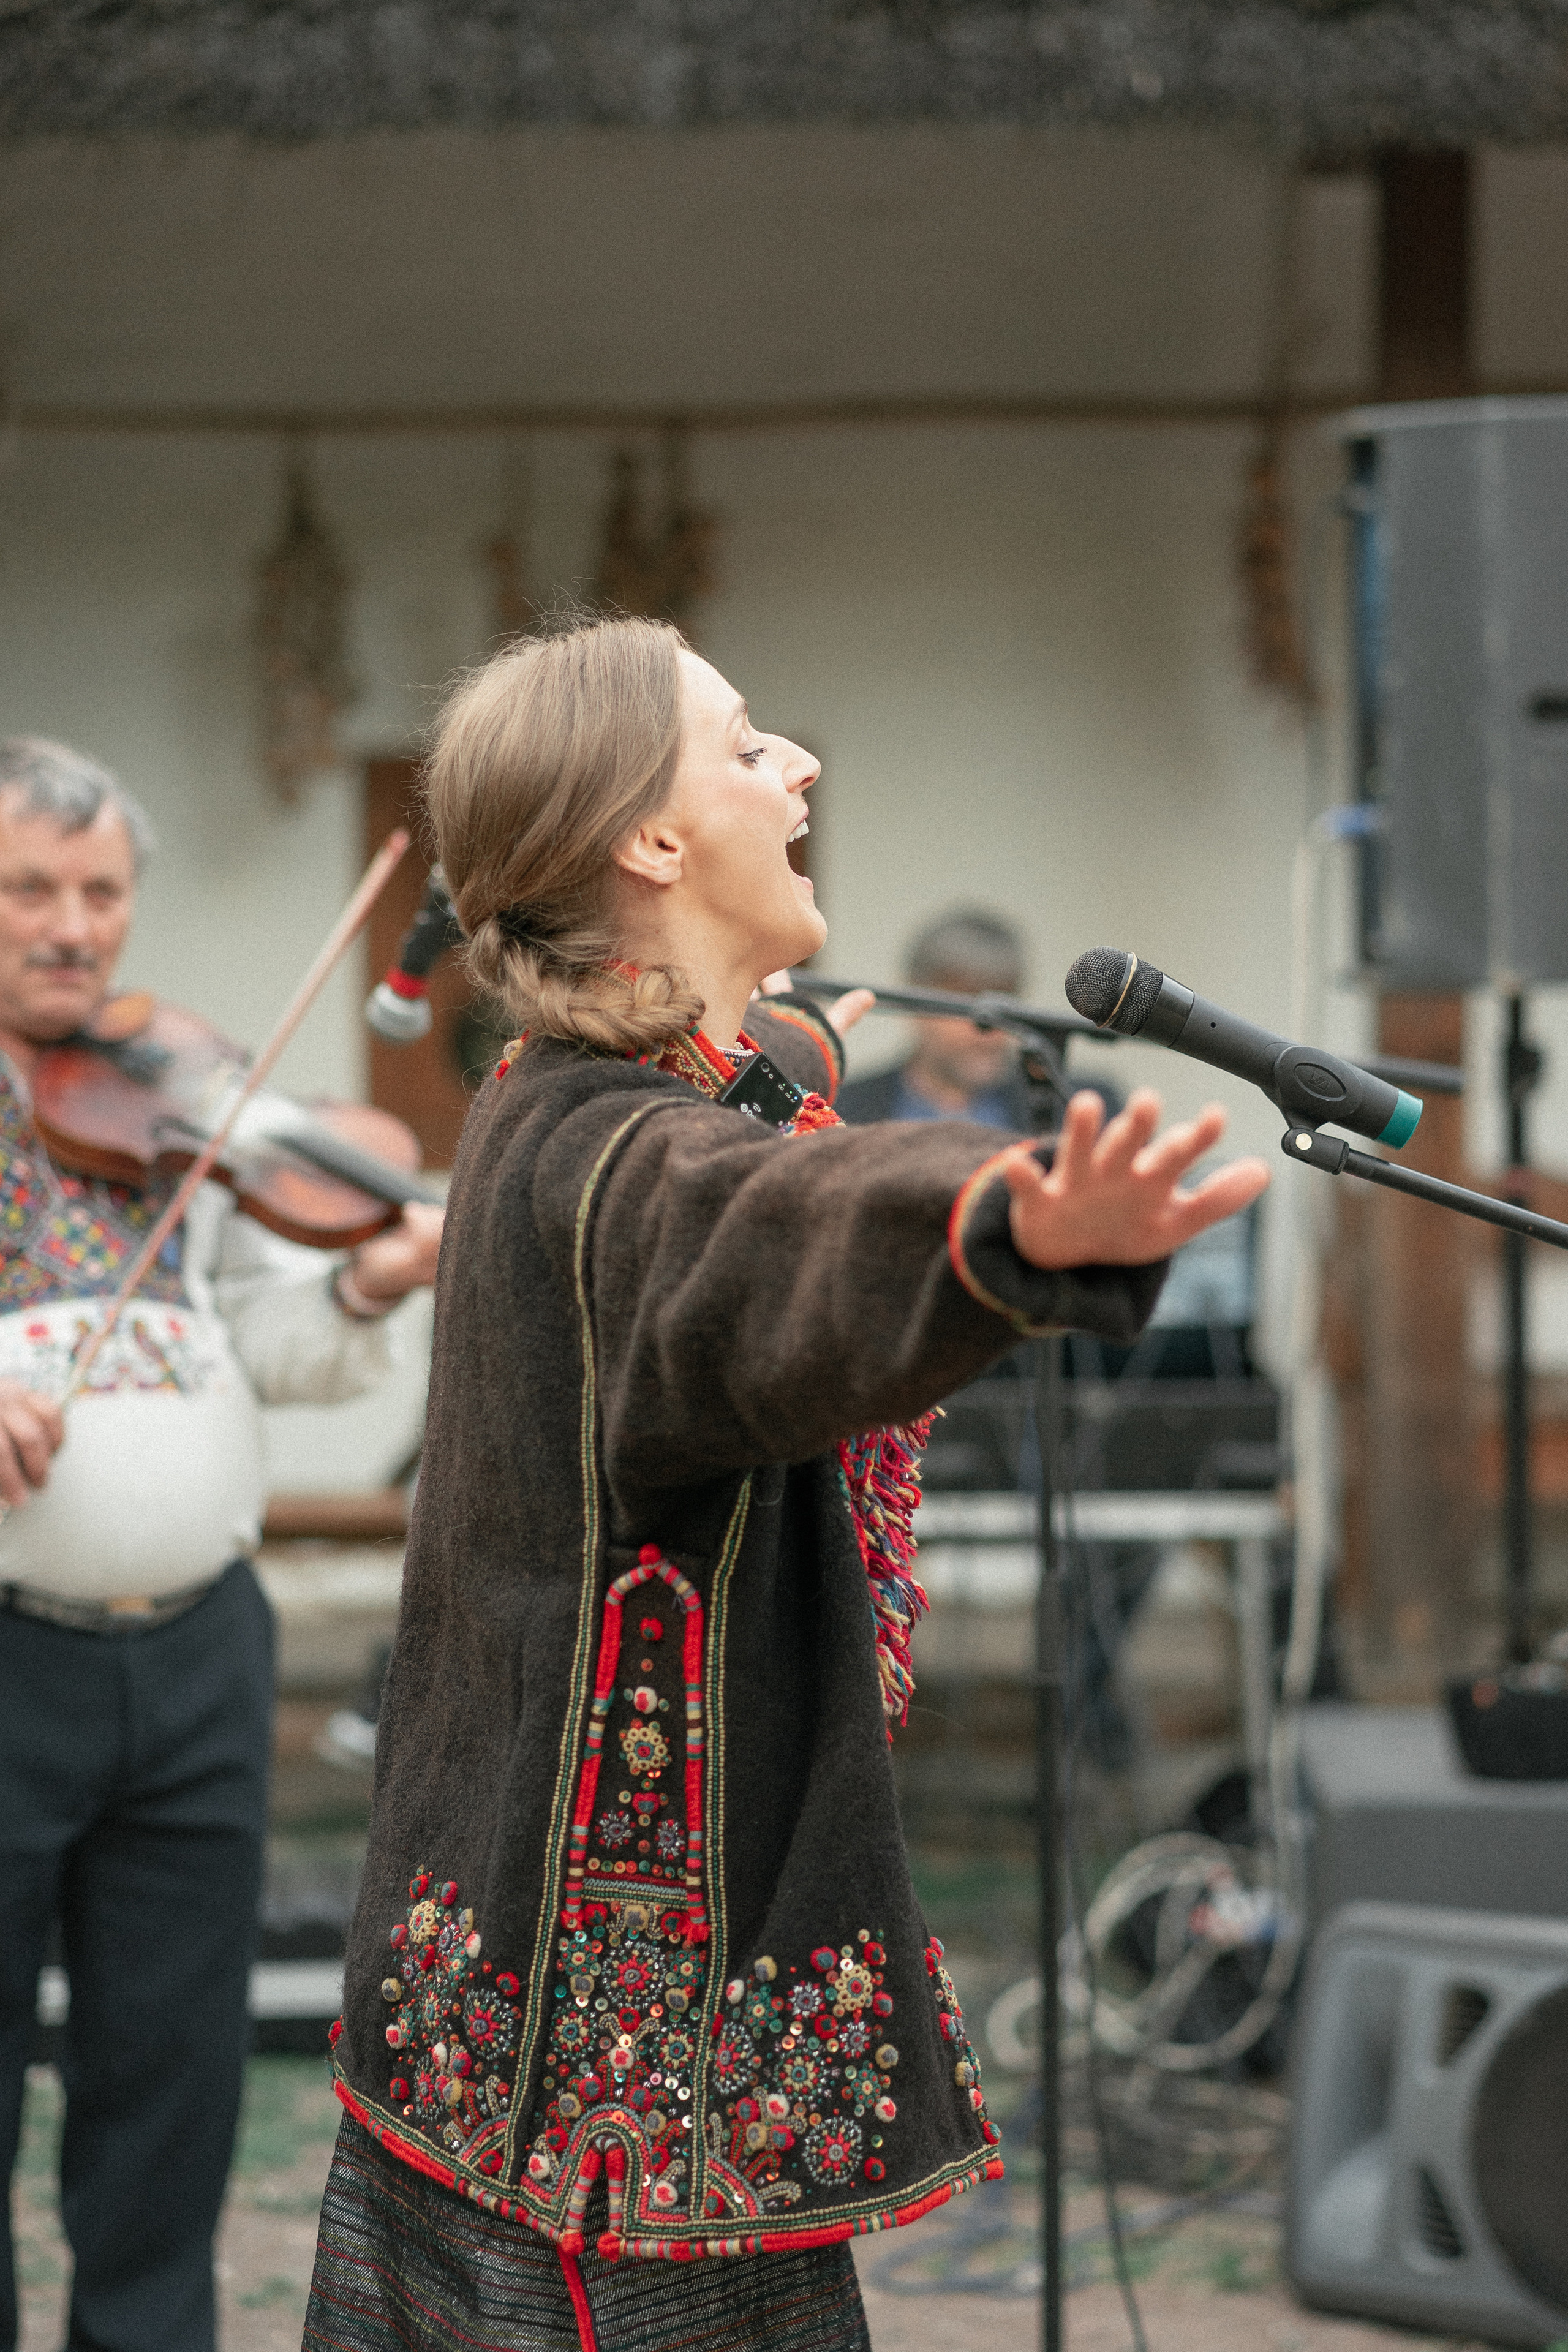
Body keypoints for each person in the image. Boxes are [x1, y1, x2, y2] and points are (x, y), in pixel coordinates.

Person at [304, 616, 1267, 2352]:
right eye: (748, 747)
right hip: (622, 2080)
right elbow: (751, 1240)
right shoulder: (610, 1152)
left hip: (549, 2025)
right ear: (652, 844)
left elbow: (751, 1147)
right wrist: (1003, 1221)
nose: (797, 766)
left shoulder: (578, 1093)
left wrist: (775, 1051)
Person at [0, 738, 443, 2352]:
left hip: (197, 1646)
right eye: (28, 889)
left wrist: (365, 1286)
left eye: (100, 891)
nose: (72, 925)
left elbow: (274, 1341)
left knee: (171, 2079)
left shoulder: (185, 1095)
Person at [834, 907, 1113, 1131]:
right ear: (914, 1003)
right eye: (968, 1005)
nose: (989, 1029)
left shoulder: (1082, 1109)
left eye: (1005, 1004)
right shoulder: (841, 1112)